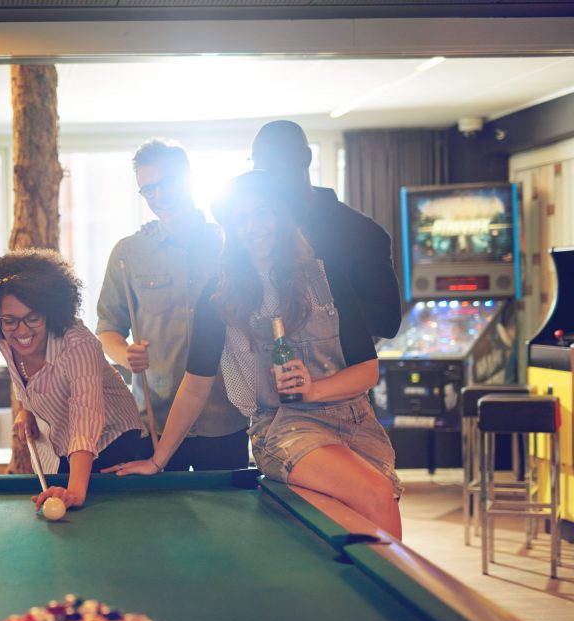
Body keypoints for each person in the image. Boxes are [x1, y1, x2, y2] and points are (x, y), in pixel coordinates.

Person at [106, 171, 403, 539]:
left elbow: (368, 371)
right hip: (284, 426)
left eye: (262, 213)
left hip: (357, 421)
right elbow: (196, 387)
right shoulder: (219, 294)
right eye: (240, 218)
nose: (253, 226)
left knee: (374, 511)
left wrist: (315, 389)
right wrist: (157, 460)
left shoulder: (328, 278)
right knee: (375, 495)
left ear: (281, 215)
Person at [96, 138, 249, 471]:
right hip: (154, 421)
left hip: (226, 418)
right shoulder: (128, 252)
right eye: (148, 190)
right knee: (158, 522)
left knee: (228, 521)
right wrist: (126, 355)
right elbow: (107, 329)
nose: (159, 197)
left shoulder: (230, 244)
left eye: (166, 184)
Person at [0, 249, 146, 512]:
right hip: (69, 448)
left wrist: (75, 491)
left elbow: (86, 417)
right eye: (10, 320)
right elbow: (25, 380)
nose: (22, 330)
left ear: (49, 312)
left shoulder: (78, 345)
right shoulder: (6, 339)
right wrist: (27, 410)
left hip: (116, 445)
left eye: (33, 318)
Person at [251, 120, 402, 339]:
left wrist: (315, 299)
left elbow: (386, 322)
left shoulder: (361, 232)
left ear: (305, 158)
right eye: (258, 160)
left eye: (275, 156)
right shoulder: (258, 231)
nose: (264, 170)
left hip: (339, 369)